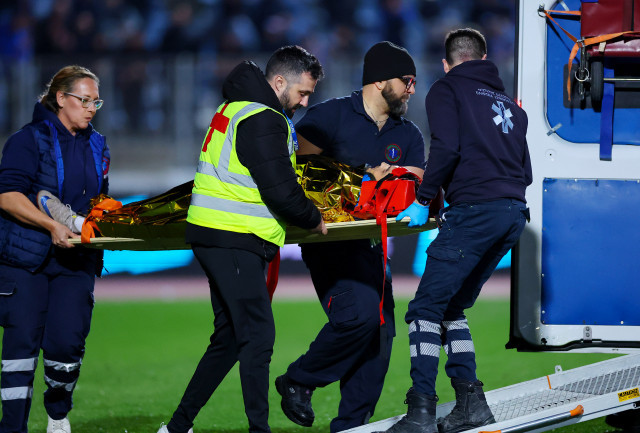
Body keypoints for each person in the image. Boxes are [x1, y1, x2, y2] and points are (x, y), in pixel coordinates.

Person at [157, 45, 327, 433]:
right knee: (258, 337)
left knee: (232, 338)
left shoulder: (236, 108)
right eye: (302, 92)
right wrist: (313, 217)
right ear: (279, 81)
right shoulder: (263, 117)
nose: (304, 102)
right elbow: (280, 190)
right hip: (234, 236)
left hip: (219, 233)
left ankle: (178, 427)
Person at [382, 28, 532, 433]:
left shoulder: (447, 89)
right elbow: (527, 173)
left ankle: (420, 413)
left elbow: (446, 148)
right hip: (512, 214)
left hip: (475, 214)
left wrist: (422, 199)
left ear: (446, 64)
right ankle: (471, 405)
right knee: (451, 309)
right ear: (484, 59)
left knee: (424, 311)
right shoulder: (513, 108)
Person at [275, 41, 426, 433]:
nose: (412, 89)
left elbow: (415, 187)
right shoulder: (327, 117)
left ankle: (351, 427)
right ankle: (299, 379)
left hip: (373, 247)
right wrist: (361, 177)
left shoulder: (409, 135)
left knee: (381, 335)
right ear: (380, 81)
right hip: (329, 242)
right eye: (407, 81)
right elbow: (300, 174)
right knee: (360, 316)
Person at [0, 65, 110, 433]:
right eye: (85, 100)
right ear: (61, 98)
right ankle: (12, 427)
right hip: (25, 260)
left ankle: (57, 414)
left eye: (96, 102)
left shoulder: (98, 144)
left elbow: (99, 199)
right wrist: (51, 226)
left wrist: (103, 221)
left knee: (67, 344)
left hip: (75, 260)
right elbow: (7, 196)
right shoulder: (26, 140)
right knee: (21, 348)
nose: (92, 108)